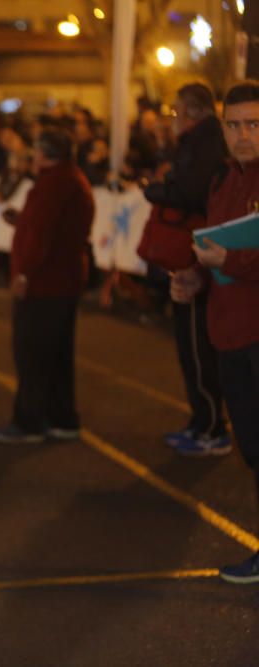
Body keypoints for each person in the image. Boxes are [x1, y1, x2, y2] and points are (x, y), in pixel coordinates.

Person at [170, 81, 259, 583]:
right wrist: (194, 276)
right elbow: (211, 249)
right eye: (235, 125)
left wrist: (236, 261)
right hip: (228, 334)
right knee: (252, 448)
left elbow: (236, 254)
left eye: (253, 124)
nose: (243, 134)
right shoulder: (223, 180)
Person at [0, 128, 95, 444]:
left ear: (46, 154)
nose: (31, 157)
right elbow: (46, 227)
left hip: (45, 284)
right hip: (62, 280)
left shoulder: (53, 185)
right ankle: (61, 417)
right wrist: (23, 221)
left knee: (33, 354)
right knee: (56, 355)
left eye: (36, 151)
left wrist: (24, 274)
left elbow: (43, 235)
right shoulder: (70, 180)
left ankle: (30, 421)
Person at [143, 82, 230, 456]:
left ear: (192, 112)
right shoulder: (200, 143)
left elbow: (191, 193)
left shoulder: (203, 144)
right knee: (191, 346)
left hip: (195, 255)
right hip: (195, 253)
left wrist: (157, 189)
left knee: (196, 347)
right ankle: (202, 422)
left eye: (177, 112)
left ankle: (210, 426)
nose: (174, 119)